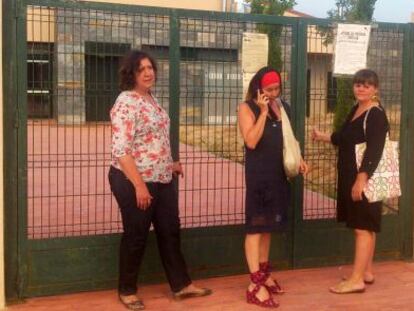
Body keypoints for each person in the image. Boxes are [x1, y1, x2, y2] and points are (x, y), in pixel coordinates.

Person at [108, 50, 212, 310]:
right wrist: (140, 186)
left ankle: (181, 285)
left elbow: (152, 140)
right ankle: (127, 290)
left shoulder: (152, 100)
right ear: (131, 73)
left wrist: (170, 164)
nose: (148, 72)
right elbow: (121, 150)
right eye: (141, 69)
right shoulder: (126, 102)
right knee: (136, 234)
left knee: (170, 231)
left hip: (161, 177)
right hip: (132, 179)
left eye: (150, 68)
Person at [312, 69, 389, 294]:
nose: (361, 88)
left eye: (367, 85)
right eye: (358, 84)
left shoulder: (375, 114)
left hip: (363, 178)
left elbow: (375, 149)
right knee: (367, 226)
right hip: (354, 176)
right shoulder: (357, 109)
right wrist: (324, 136)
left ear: (376, 89)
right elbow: (346, 137)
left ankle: (356, 280)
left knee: (362, 228)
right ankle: (365, 272)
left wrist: (361, 179)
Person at [238, 67, 308, 308]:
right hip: (259, 177)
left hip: (279, 176)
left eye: (277, 89)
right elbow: (251, 140)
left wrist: (299, 159)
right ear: (259, 89)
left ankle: (264, 273)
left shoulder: (284, 107)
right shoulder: (247, 108)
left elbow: (289, 139)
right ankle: (254, 284)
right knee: (256, 227)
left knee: (268, 226)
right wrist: (263, 111)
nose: (274, 94)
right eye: (269, 90)